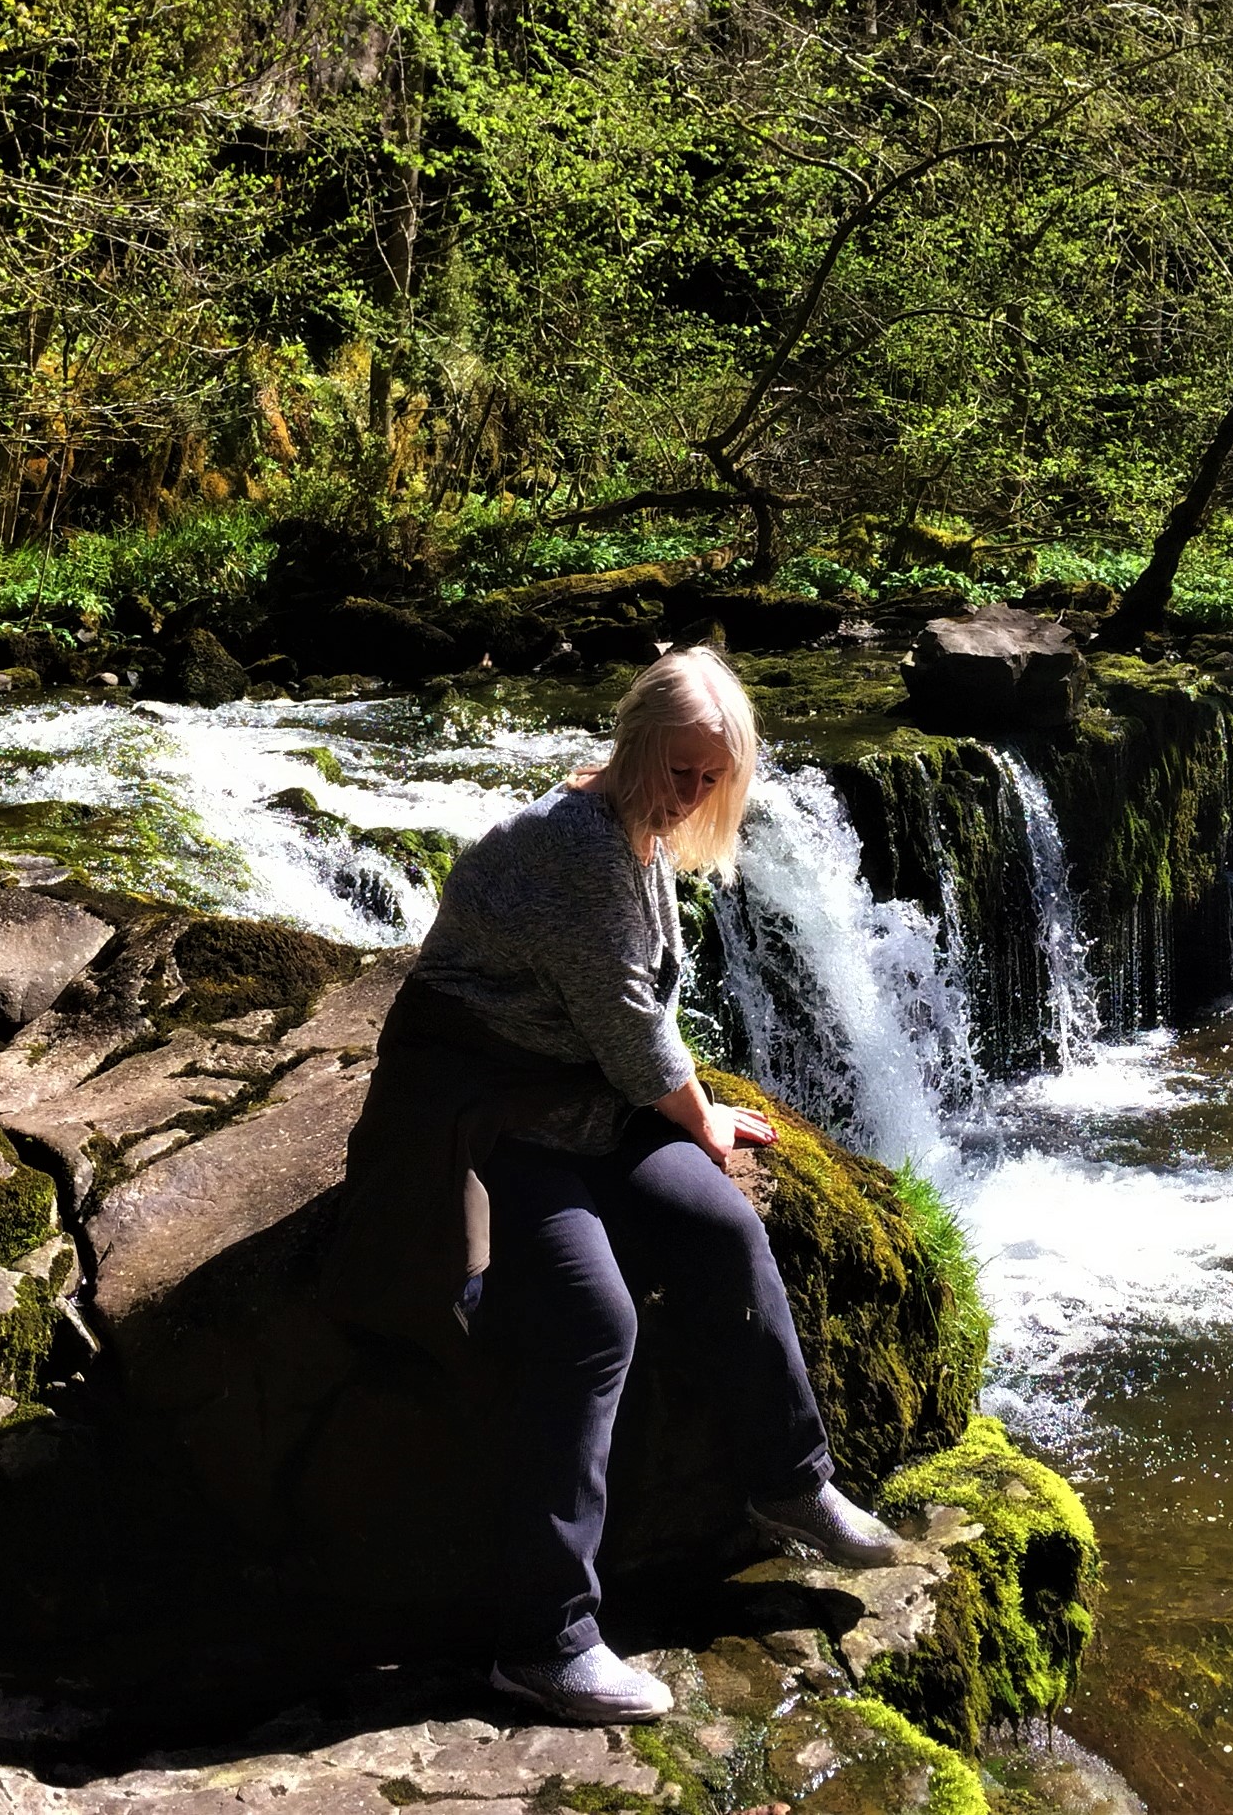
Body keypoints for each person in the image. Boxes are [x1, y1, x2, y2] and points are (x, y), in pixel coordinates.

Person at [333, 644, 910, 1723]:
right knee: (590, 1321)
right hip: (487, 1117)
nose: (693, 793)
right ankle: (544, 1642)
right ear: (635, 743)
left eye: (710, 778)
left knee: (723, 1230)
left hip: (584, 1097)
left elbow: (643, 1008)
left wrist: (695, 1116)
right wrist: (696, 1109)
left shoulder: (636, 832)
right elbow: (634, 1031)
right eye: (680, 770)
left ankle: (790, 1483)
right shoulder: (574, 851)